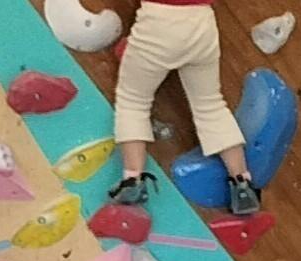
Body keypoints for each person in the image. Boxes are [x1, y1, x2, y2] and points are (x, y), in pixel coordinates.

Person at [108, 0, 262, 217]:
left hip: (158, 19)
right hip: (202, 20)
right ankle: (243, 184)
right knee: (211, 105)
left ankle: (132, 180)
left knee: (133, 100)